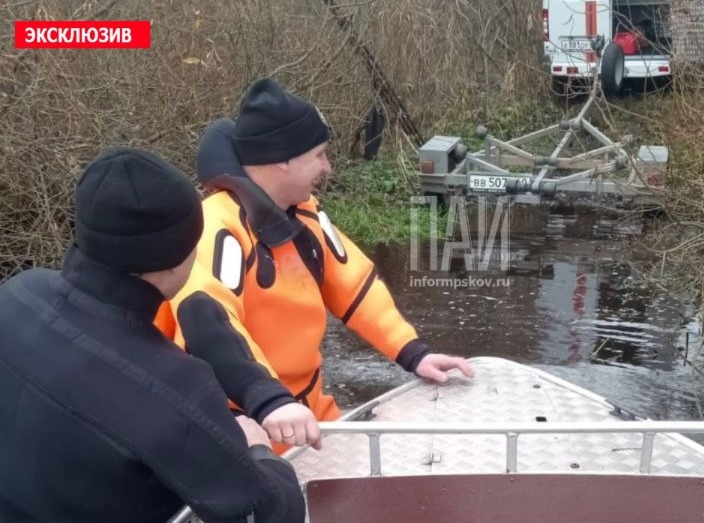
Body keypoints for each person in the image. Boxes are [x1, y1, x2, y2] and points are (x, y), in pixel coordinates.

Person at [164, 78, 474, 450]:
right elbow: (207, 323)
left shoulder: (302, 214)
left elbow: (354, 285)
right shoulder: (217, 227)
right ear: (282, 160)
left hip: (308, 411)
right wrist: (268, 399)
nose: (327, 167)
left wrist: (413, 353)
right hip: (248, 423)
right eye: (319, 155)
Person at [0, 148, 305, 522]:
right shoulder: (178, 386)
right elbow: (272, 512)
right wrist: (258, 451)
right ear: (179, 256)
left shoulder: (17, 294)